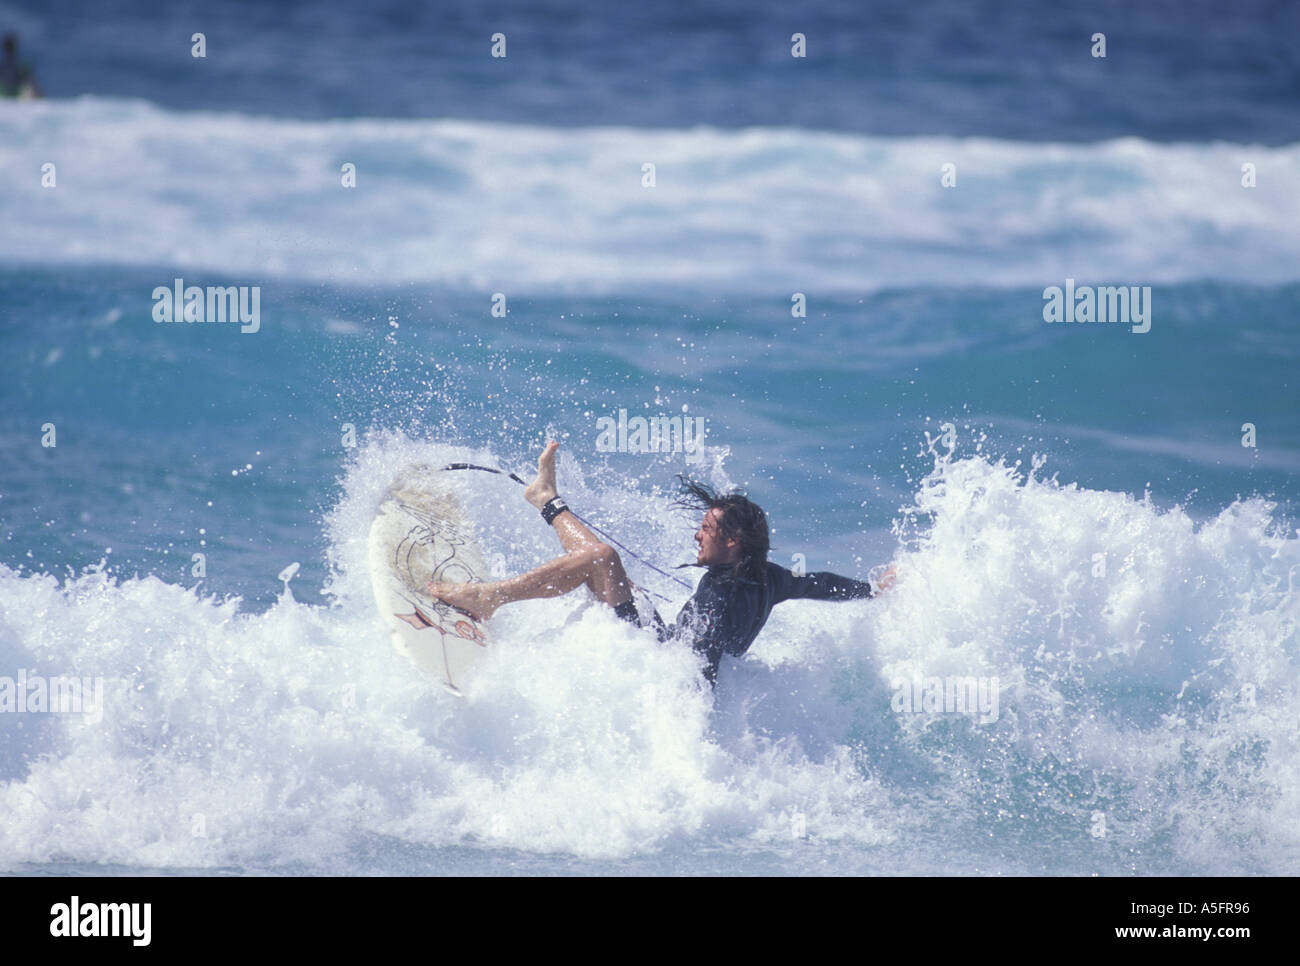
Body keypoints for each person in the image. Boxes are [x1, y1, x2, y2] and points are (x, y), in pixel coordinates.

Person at [428, 441, 895, 686]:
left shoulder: (718, 596)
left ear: (732, 542)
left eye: (706, 530)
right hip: (662, 639)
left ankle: (487, 599)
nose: (696, 534)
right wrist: (871, 589)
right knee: (603, 563)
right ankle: (545, 498)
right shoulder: (769, 577)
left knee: (602, 559)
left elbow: (702, 657)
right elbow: (820, 583)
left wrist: (690, 724)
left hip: (654, 658)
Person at [1, 33, 42, 99]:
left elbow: (31, 82)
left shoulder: (19, 66)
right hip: (9, 93)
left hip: (13, 94)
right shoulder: (20, 65)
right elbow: (32, 82)